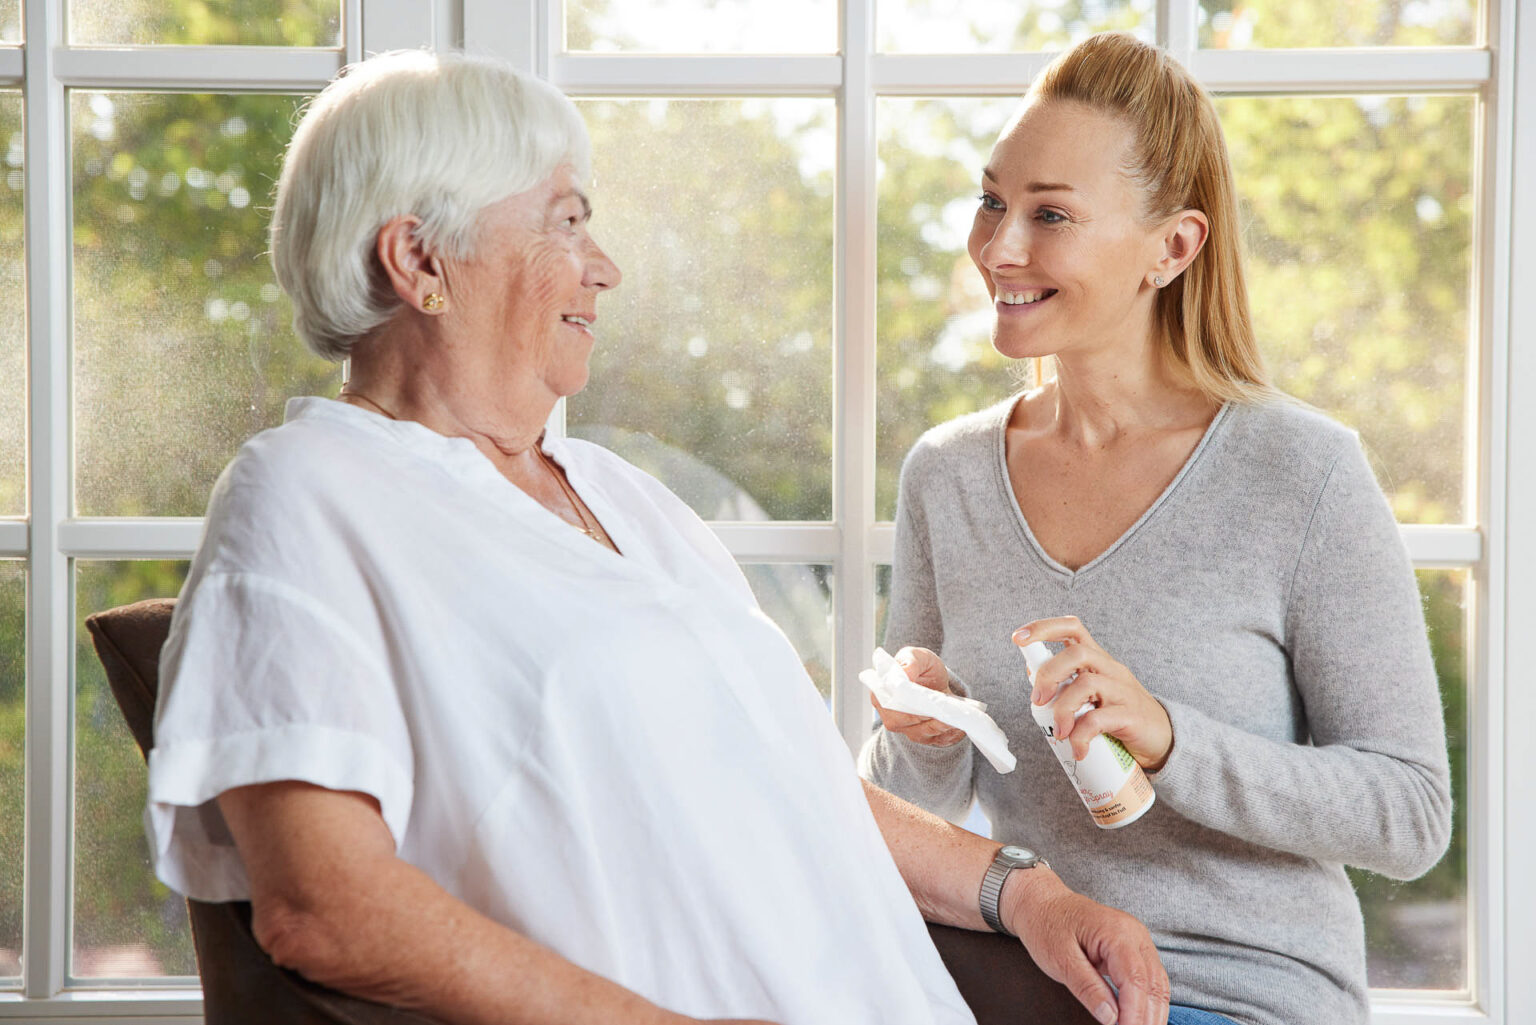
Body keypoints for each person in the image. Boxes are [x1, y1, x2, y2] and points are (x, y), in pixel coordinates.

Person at [146, 49, 1170, 1025]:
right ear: (420, 258)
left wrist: (1023, 892)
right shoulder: (310, 492)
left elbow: (791, 784)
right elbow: (324, 904)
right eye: (568, 222)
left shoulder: (620, 492)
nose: (608, 269)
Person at [859, 31, 1452, 1025]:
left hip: (1240, 992)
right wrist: (920, 733)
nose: (1001, 246)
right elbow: (906, 810)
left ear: (1171, 249)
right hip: (1022, 978)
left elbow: (1410, 813)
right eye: (993, 200)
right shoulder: (947, 474)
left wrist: (1171, 736)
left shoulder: (1301, 474)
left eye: (1050, 213)